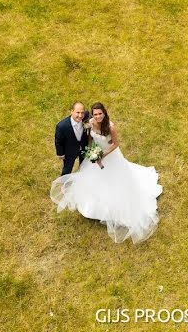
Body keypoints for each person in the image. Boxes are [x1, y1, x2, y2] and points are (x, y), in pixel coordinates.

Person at [50, 102, 163, 243]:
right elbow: (91, 139)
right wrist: (92, 152)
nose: (97, 117)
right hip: (96, 155)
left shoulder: (110, 126)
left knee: (114, 182)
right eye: (95, 114)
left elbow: (115, 144)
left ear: (104, 113)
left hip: (110, 156)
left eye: (100, 114)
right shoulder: (90, 122)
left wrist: (102, 155)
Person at [54, 102, 90, 176]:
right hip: (69, 151)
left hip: (84, 148)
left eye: (82, 113)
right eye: (78, 112)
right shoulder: (62, 126)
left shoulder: (86, 117)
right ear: (72, 111)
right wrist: (60, 153)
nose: (80, 116)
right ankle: (64, 184)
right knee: (67, 169)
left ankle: (82, 178)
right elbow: (58, 141)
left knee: (84, 166)